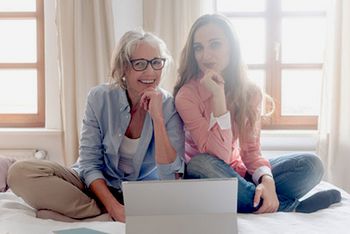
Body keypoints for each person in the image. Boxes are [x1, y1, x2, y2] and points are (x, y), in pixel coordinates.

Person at [7, 30, 184, 222]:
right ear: (124, 68)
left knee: (173, 203)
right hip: (96, 188)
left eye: (157, 62)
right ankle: (104, 215)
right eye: (140, 64)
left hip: (141, 194)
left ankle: (77, 214)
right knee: (19, 172)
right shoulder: (99, 97)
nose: (150, 72)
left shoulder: (169, 106)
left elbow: (170, 177)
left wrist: (157, 118)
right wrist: (114, 207)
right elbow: (89, 164)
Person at [174, 14, 341, 214]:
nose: (205, 55)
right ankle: (292, 206)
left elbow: (251, 151)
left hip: (239, 174)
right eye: (198, 47)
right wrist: (218, 97)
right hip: (207, 175)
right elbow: (218, 155)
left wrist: (266, 180)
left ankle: (255, 196)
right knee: (200, 163)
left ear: (231, 48)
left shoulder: (250, 92)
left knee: (311, 164)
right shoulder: (187, 95)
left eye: (214, 44)